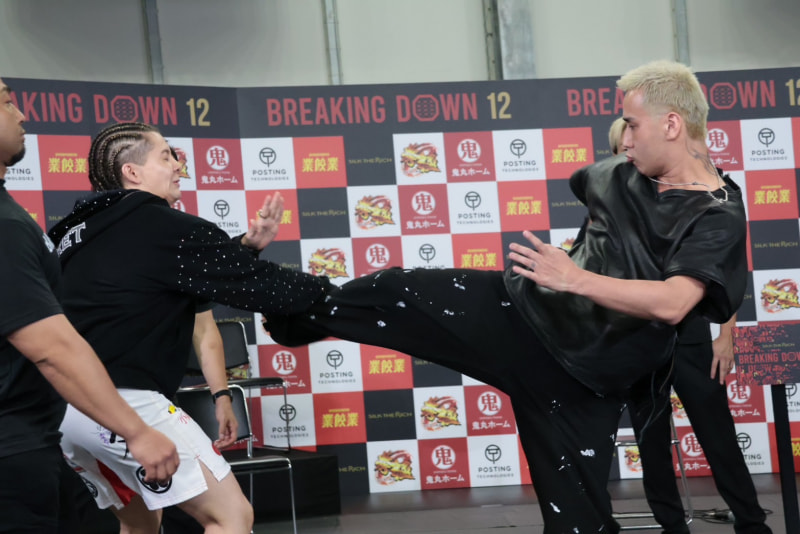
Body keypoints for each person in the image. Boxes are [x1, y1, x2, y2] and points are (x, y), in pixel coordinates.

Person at [264, 59, 748, 533]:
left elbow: (674, 303)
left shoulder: (716, 213)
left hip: (582, 381)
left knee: (578, 524)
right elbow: (597, 196)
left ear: (671, 124)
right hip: (516, 315)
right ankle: (284, 310)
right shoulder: (611, 175)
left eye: (633, 125)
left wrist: (575, 277)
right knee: (392, 290)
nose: (624, 139)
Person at [47, 122, 330, 534]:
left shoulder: (79, 232)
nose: (179, 165)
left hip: (68, 411)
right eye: (166, 156)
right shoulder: (162, 225)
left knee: (141, 525)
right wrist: (341, 297)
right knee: (230, 517)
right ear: (132, 172)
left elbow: (160, 272)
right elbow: (264, 287)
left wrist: (244, 248)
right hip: (126, 403)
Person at [0, 81, 180, 533]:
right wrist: (135, 431)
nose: (22, 114)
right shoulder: (4, 227)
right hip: (12, 452)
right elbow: (51, 346)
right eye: (6, 102)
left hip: (38, 440)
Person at [607, 117, 772, 534]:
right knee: (651, 446)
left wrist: (726, 334)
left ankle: (752, 523)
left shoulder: (699, 193)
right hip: (638, 342)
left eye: (633, 142)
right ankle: (672, 527)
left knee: (718, 437)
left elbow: (724, 271)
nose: (629, 152)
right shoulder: (614, 206)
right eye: (622, 149)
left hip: (690, 336)